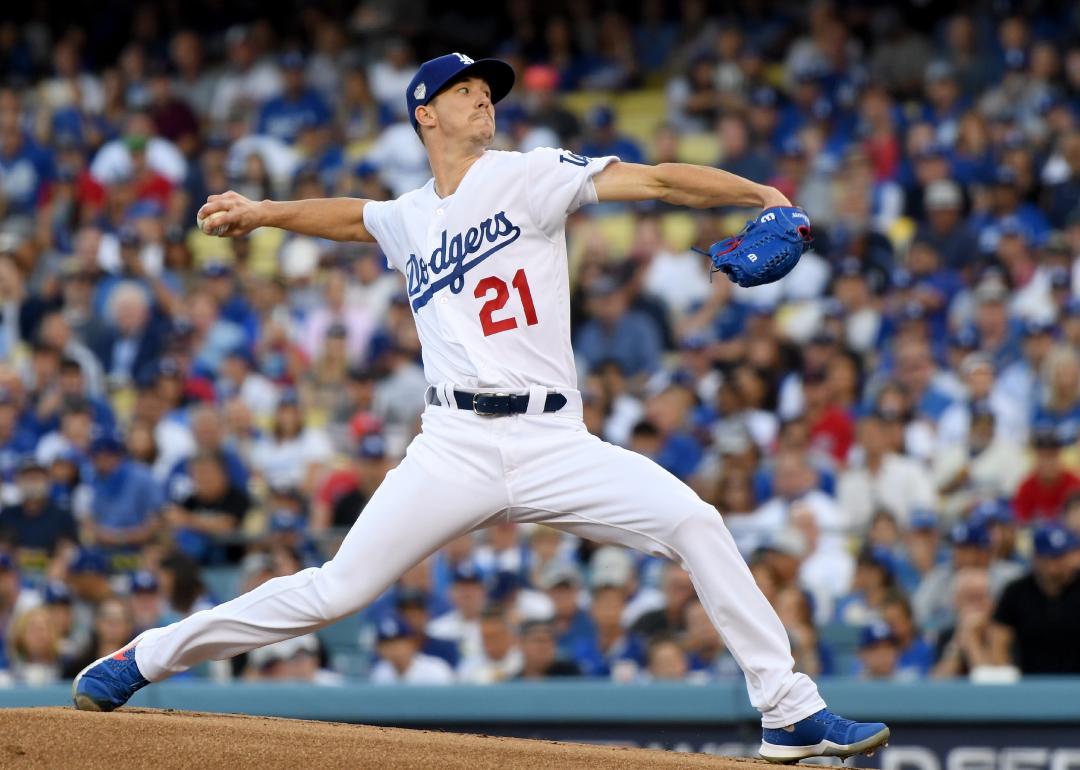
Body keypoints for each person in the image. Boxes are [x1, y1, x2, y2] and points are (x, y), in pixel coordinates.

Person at [74, 52, 888, 762]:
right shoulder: (411, 215)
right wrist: (262, 212)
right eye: (466, 90)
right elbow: (355, 219)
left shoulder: (527, 173)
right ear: (425, 114)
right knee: (336, 591)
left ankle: (787, 713)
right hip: (452, 445)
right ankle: (143, 659)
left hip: (552, 438)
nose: (484, 98)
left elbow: (660, 179)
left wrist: (759, 190)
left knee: (694, 522)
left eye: (488, 90)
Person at [990, 523, 1080, 674]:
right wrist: (1005, 678)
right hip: (1029, 684)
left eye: (1063, 555)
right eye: (1051, 557)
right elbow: (999, 642)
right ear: (1036, 558)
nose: (1058, 564)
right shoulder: (1016, 592)